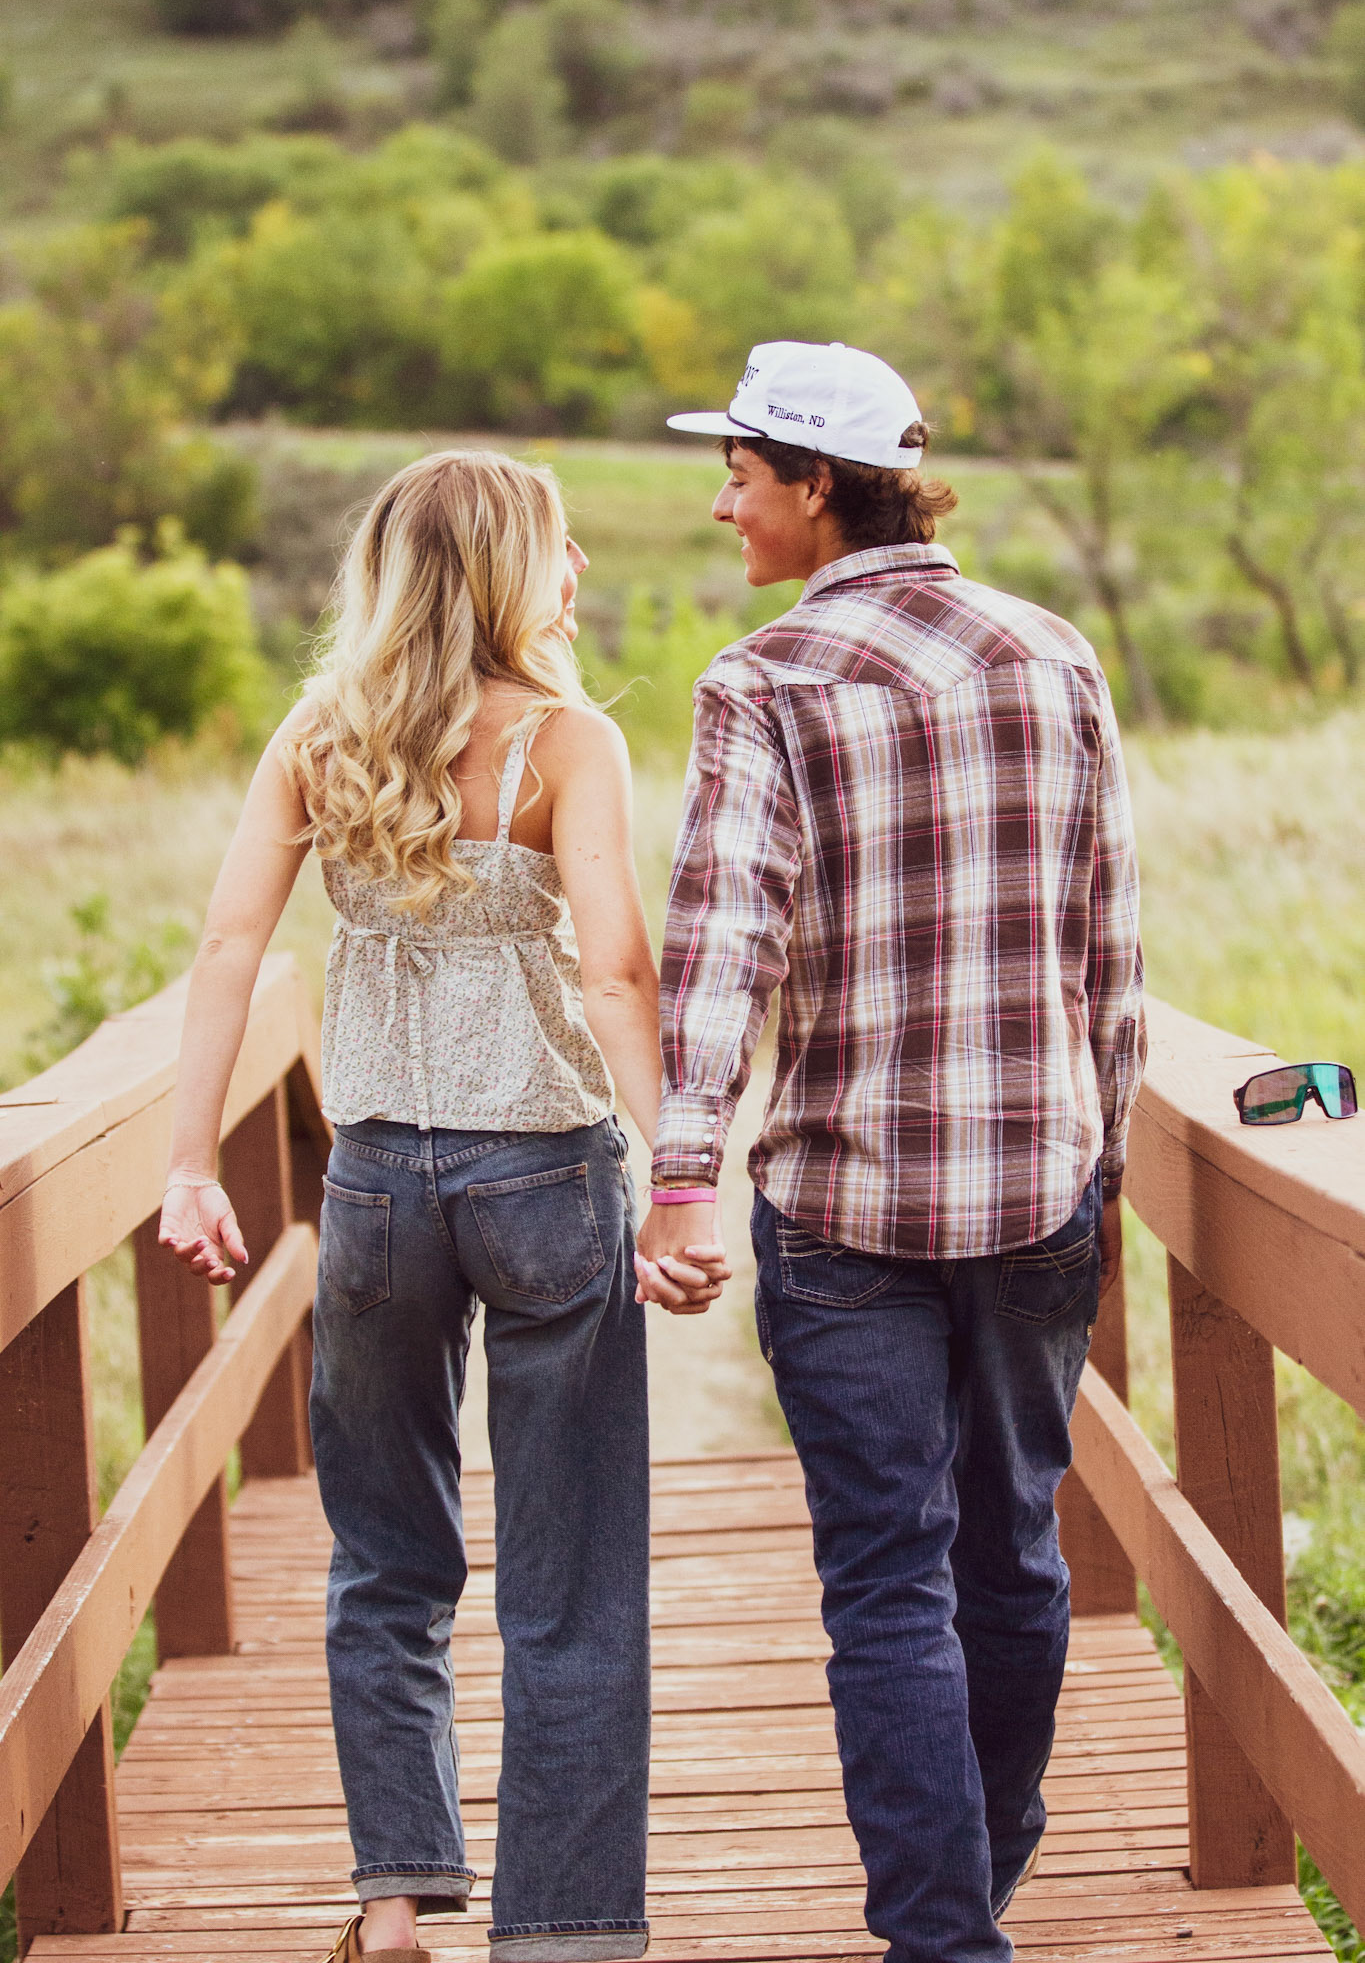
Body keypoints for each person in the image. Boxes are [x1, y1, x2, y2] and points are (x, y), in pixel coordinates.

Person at [157, 450, 728, 1963]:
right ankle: (564, 1931)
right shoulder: (566, 740)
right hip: (544, 1173)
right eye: (560, 544)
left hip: (376, 1187)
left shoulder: (320, 734)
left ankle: (395, 1904)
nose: (580, 568)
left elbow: (228, 950)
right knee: (572, 1579)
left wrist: (191, 1163)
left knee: (385, 1560)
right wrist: (679, 1179)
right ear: (503, 570)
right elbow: (617, 972)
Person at [635, 342, 1146, 1963]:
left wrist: (681, 1171)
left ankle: (945, 1931)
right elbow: (1109, 939)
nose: (723, 505)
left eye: (739, 475)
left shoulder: (764, 680)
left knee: (886, 1581)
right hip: (1035, 1189)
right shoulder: (1053, 652)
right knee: (1012, 1555)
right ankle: (980, 1870)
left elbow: (722, 946)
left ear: (816, 484)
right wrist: (1106, 1157)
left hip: (844, 1212)